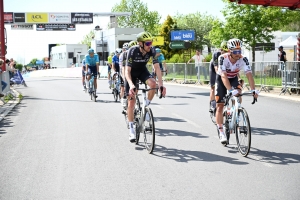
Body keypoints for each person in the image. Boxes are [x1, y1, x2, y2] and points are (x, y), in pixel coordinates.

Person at [215, 38, 259, 144]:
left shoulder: (243, 59)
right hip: (222, 79)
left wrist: (253, 90)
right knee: (220, 105)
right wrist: (230, 90)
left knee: (238, 94)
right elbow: (224, 75)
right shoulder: (223, 58)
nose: (238, 54)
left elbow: (249, 74)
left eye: (239, 51)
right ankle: (221, 132)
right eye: (235, 51)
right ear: (230, 51)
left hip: (234, 78)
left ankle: (236, 111)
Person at [125, 31, 166, 142]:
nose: (150, 45)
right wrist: (131, 84)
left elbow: (157, 68)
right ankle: (132, 130)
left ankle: (145, 107)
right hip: (131, 74)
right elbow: (127, 71)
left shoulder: (152, 51)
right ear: (140, 44)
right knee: (131, 102)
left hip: (142, 71)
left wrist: (161, 84)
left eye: (151, 42)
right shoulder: (132, 51)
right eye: (147, 43)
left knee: (153, 84)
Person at [209, 41, 229, 112]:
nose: (226, 54)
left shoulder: (230, 56)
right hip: (214, 69)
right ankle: (212, 104)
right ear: (221, 50)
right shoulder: (216, 54)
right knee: (213, 87)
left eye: (227, 52)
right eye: (224, 52)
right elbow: (216, 68)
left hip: (223, 70)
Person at [119, 42, 130, 107]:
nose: (126, 50)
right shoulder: (122, 55)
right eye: (125, 49)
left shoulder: (131, 54)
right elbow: (121, 67)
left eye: (127, 49)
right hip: (123, 71)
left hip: (129, 71)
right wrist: (124, 76)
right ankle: (123, 100)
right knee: (123, 88)